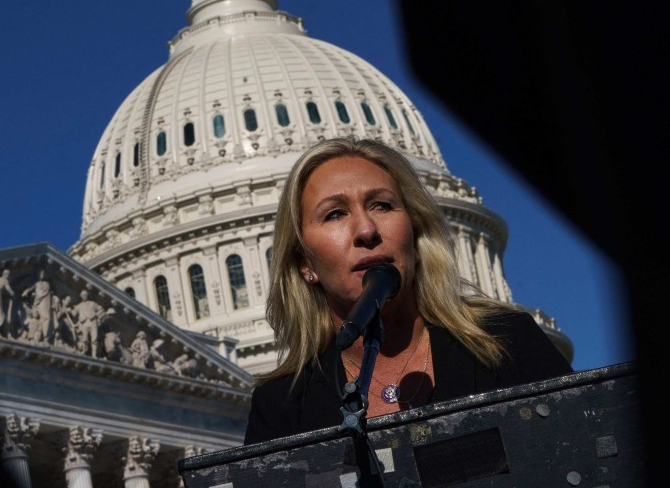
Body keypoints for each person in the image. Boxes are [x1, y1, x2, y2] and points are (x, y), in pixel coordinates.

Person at [243, 137, 572, 444]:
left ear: (415, 239)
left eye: (382, 206)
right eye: (335, 214)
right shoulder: (282, 407)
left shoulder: (507, 345)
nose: (367, 229)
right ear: (305, 264)